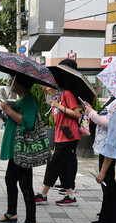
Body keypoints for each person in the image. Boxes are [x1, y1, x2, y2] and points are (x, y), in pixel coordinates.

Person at [0, 73, 39, 223]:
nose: (10, 82)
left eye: (13, 80)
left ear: (22, 84)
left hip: (22, 149)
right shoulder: (21, 100)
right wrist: (0, 113)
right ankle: (12, 213)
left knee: (25, 184)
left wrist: (9, 110)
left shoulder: (29, 99)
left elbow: (27, 122)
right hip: (15, 148)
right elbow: (13, 120)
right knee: (10, 179)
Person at [34, 59, 81, 206]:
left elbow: (76, 114)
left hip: (69, 137)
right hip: (62, 137)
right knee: (63, 166)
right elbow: (52, 106)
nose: (44, 85)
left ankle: (43, 194)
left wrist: (59, 106)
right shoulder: (57, 97)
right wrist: (51, 98)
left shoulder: (66, 94)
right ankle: (70, 196)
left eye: (46, 83)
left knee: (53, 165)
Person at [83, 96, 116, 223]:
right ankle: (105, 214)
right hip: (103, 147)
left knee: (108, 184)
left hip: (109, 148)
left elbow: (110, 124)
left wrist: (91, 114)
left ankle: (108, 217)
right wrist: (92, 110)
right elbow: (104, 118)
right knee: (105, 185)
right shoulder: (111, 99)